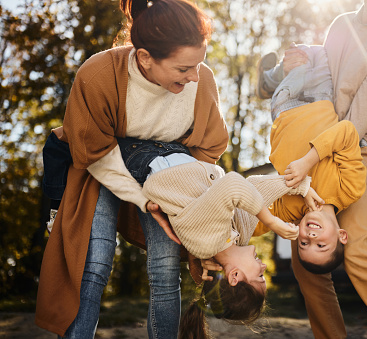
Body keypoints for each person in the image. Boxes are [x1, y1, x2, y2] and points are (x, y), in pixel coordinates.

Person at [35, 0, 228, 338]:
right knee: (92, 264)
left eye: (200, 63)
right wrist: (143, 202)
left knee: (166, 267)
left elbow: (207, 149)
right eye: (184, 68)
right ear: (144, 58)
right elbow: (94, 153)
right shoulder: (97, 76)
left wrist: (182, 207)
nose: (195, 76)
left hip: (167, 174)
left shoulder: (202, 82)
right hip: (102, 167)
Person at [257, 0, 367, 338]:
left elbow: (356, 122)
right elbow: (323, 74)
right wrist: (294, 65)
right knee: (307, 262)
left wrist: (309, 158)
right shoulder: (343, 23)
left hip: (358, 149)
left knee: (358, 249)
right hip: (317, 140)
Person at [116, 137, 321, 338]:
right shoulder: (238, 237)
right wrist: (301, 187)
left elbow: (232, 184)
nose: (264, 268)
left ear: (234, 277)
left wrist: (272, 221)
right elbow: (254, 187)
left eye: (259, 277)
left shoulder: (207, 243)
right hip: (177, 152)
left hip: (146, 154)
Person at [256, 43, 366, 274]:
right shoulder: (349, 190)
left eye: (304, 244)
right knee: (320, 51)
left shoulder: (286, 212)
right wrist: (308, 161)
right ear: (341, 235)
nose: (311, 236)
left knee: (301, 54)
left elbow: (250, 219)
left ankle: (270, 82)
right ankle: (270, 81)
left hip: (286, 108)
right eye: (321, 244)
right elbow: (346, 132)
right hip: (320, 99)